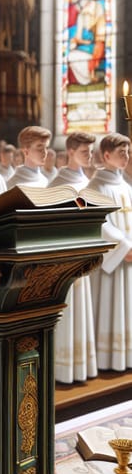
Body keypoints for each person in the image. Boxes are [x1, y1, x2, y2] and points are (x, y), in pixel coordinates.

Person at [48, 131, 98, 383]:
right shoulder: (59, 184)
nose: (89, 156)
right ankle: (62, 370)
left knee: (81, 310)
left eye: (91, 151)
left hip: (84, 252)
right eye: (84, 152)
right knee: (67, 311)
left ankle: (79, 368)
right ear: (70, 152)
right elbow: (49, 223)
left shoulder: (86, 181)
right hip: (66, 257)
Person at [82, 133, 132, 373]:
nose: (127, 156)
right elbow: (97, 223)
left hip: (129, 257)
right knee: (110, 305)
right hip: (113, 260)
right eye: (122, 152)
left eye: (129, 151)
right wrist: (123, 246)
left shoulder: (126, 185)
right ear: (106, 155)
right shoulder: (94, 187)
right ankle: (107, 360)